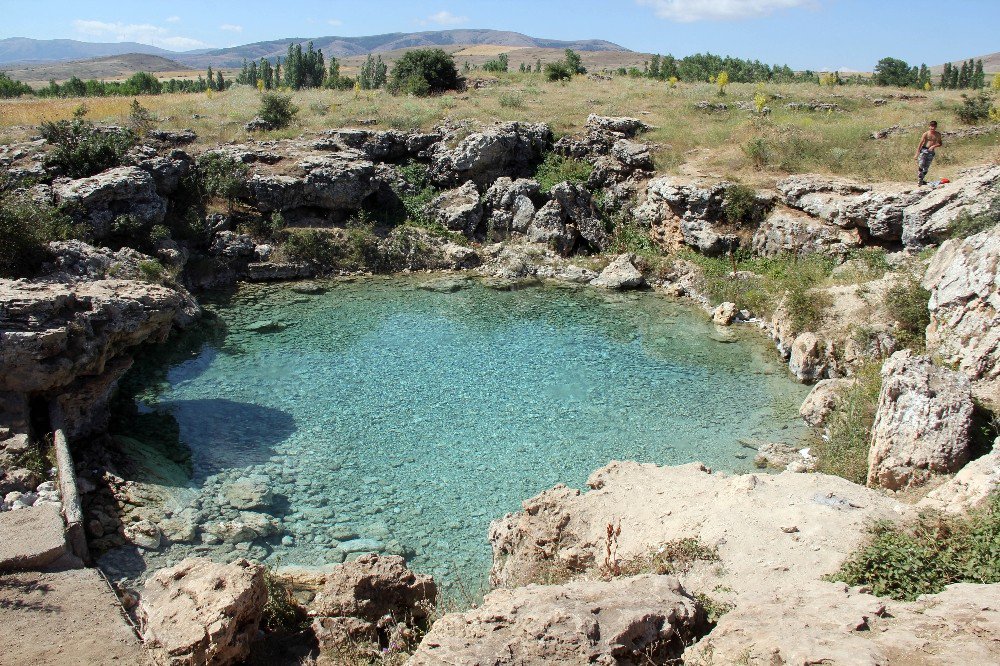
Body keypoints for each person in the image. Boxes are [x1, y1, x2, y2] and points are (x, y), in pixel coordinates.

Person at [915, 121, 943, 186]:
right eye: (931, 126)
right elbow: (920, 143)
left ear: (936, 127)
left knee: (926, 167)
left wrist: (934, 146)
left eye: (934, 126)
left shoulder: (938, 134)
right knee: (921, 164)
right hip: (924, 150)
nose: (932, 128)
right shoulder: (926, 134)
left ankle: (921, 179)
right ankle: (920, 179)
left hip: (931, 151)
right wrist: (917, 153)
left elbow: (940, 143)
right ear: (929, 126)